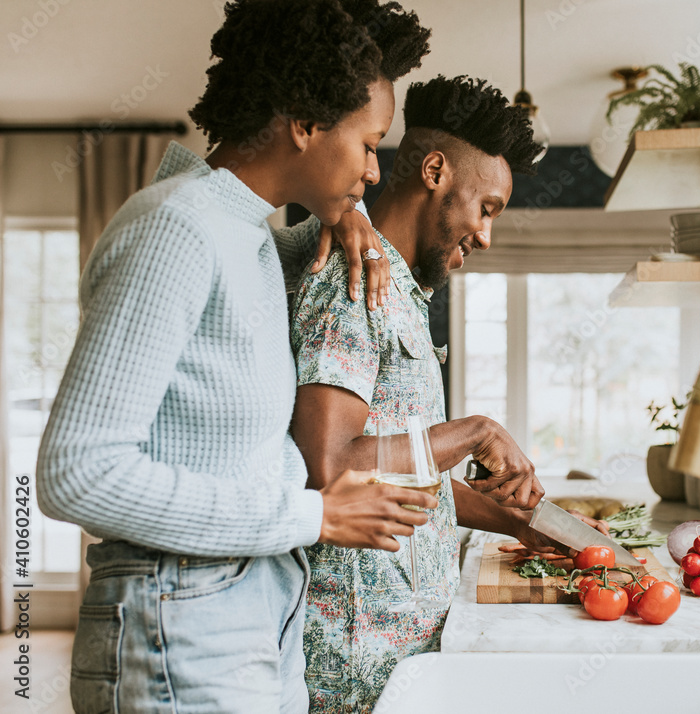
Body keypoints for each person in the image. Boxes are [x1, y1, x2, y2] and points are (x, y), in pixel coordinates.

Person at [35, 2, 433, 711]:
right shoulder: (176, 229)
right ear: (305, 124)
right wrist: (309, 517)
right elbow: (77, 473)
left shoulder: (243, 236)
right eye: (370, 144)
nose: (374, 170)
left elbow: (309, 244)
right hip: (179, 615)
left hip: (250, 609)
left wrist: (351, 221)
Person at [289, 75, 600, 713]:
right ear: (434, 170)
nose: (486, 236)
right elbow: (329, 468)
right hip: (356, 668)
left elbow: (397, 475)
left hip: (408, 655)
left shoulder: (401, 291)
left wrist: (521, 523)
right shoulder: (356, 278)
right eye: (486, 208)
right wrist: (477, 431)